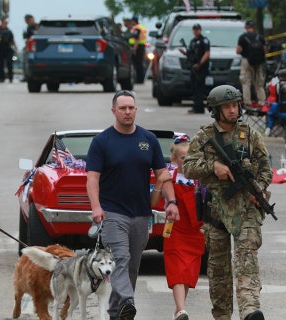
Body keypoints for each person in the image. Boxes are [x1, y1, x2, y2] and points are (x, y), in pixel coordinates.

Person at [86, 90, 179, 320]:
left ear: (136, 109)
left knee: (132, 267)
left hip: (141, 214)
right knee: (120, 258)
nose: (128, 112)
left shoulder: (148, 140)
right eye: (123, 108)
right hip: (112, 212)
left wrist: (172, 201)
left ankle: (119, 313)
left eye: (131, 108)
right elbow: (92, 178)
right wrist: (96, 207)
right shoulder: (102, 141)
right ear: (114, 111)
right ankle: (128, 301)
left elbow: (162, 174)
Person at [183, 85, 272, 320]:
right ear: (216, 110)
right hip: (216, 212)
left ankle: (250, 310)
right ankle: (222, 315)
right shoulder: (204, 137)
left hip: (246, 210)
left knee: (247, 262)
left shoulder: (251, 136)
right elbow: (188, 167)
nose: (232, 111)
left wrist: (259, 190)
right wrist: (214, 167)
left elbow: (265, 170)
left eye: (235, 105)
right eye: (226, 107)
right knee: (219, 271)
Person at [150, 135, 205, 320]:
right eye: (183, 158)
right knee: (177, 270)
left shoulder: (200, 180)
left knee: (189, 271)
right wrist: (159, 183)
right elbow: (154, 201)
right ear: (174, 159)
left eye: (191, 158)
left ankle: (179, 310)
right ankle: (181, 308)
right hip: (175, 229)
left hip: (196, 231)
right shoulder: (168, 177)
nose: (187, 162)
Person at [179, 23, 210, 114]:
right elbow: (190, 54)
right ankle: (196, 106)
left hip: (201, 68)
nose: (196, 31)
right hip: (193, 67)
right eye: (194, 29)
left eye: (197, 29)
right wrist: (184, 53)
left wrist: (199, 64)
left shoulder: (204, 41)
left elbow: (207, 53)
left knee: (200, 87)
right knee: (194, 87)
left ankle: (199, 107)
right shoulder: (193, 41)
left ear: (200, 30)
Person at [237, 20, 267, 109]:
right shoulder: (260, 37)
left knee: (246, 82)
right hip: (259, 62)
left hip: (247, 61)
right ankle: (262, 102)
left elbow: (238, 50)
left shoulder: (242, 37)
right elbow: (265, 50)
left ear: (246, 27)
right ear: (254, 27)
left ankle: (248, 103)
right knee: (259, 83)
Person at [128, 16, 147, 84]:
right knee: (140, 63)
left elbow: (136, 38)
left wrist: (134, 49)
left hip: (138, 47)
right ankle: (140, 79)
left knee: (137, 64)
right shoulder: (142, 26)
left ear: (134, 21)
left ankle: (139, 79)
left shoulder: (137, 28)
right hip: (141, 47)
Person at [0, 18, 17, 83]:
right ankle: (1, 78)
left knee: (10, 64)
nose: (5, 24)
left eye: (6, 23)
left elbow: (13, 40)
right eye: (4, 22)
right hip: (1, 50)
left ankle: (10, 78)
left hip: (9, 50)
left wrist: (15, 48)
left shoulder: (9, 31)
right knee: (1, 64)